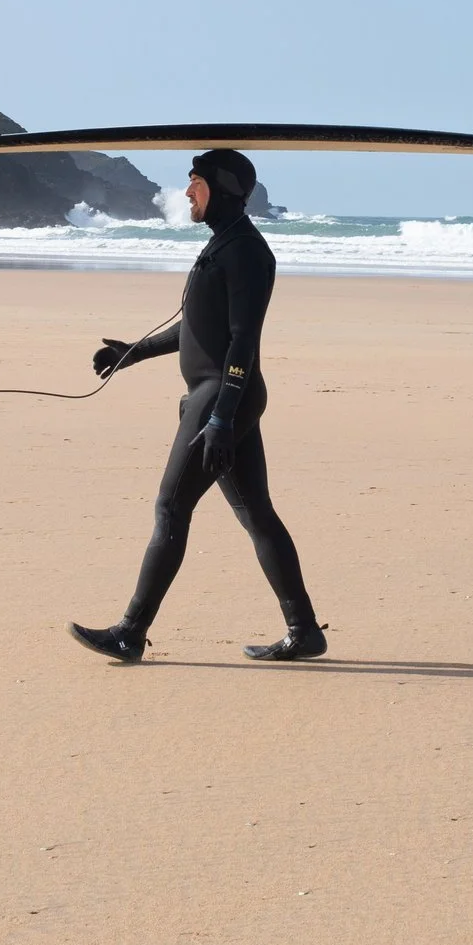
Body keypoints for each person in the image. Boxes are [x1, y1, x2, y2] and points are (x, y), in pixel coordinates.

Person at [69, 149, 325, 664]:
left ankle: (131, 632)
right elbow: (196, 329)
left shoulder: (247, 253)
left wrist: (221, 417)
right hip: (221, 398)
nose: (186, 192)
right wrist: (132, 353)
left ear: (220, 188)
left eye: (195, 182)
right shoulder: (223, 246)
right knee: (257, 514)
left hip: (223, 395)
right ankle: (304, 631)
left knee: (171, 507)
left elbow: (241, 343)